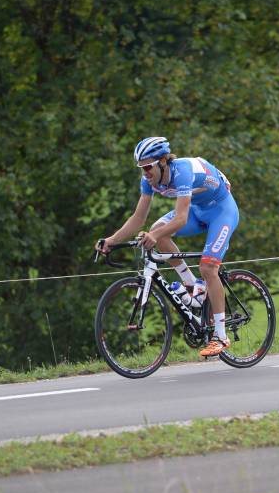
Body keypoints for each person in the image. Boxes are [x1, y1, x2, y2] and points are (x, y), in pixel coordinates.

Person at [97, 136, 239, 356]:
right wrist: (112, 240)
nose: (145, 173)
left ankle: (220, 335)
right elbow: (138, 219)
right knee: (158, 229)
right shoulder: (148, 181)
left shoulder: (181, 171)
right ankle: (194, 286)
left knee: (208, 267)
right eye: (141, 168)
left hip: (221, 211)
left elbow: (180, 219)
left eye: (148, 167)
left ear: (163, 161)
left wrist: (153, 235)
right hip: (198, 210)